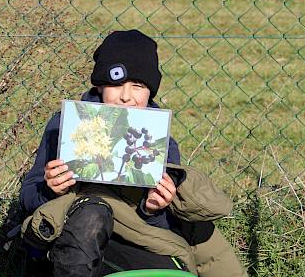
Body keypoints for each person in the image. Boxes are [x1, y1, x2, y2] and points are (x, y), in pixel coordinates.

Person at [19, 30, 245, 277]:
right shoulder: (65, 125)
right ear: (100, 86)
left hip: (135, 241)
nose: (126, 96)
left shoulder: (161, 141)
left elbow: (161, 229)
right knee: (92, 216)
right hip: (73, 234)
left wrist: (153, 209)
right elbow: (28, 198)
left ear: (150, 92)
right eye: (116, 85)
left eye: (138, 86)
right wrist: (51, 189)